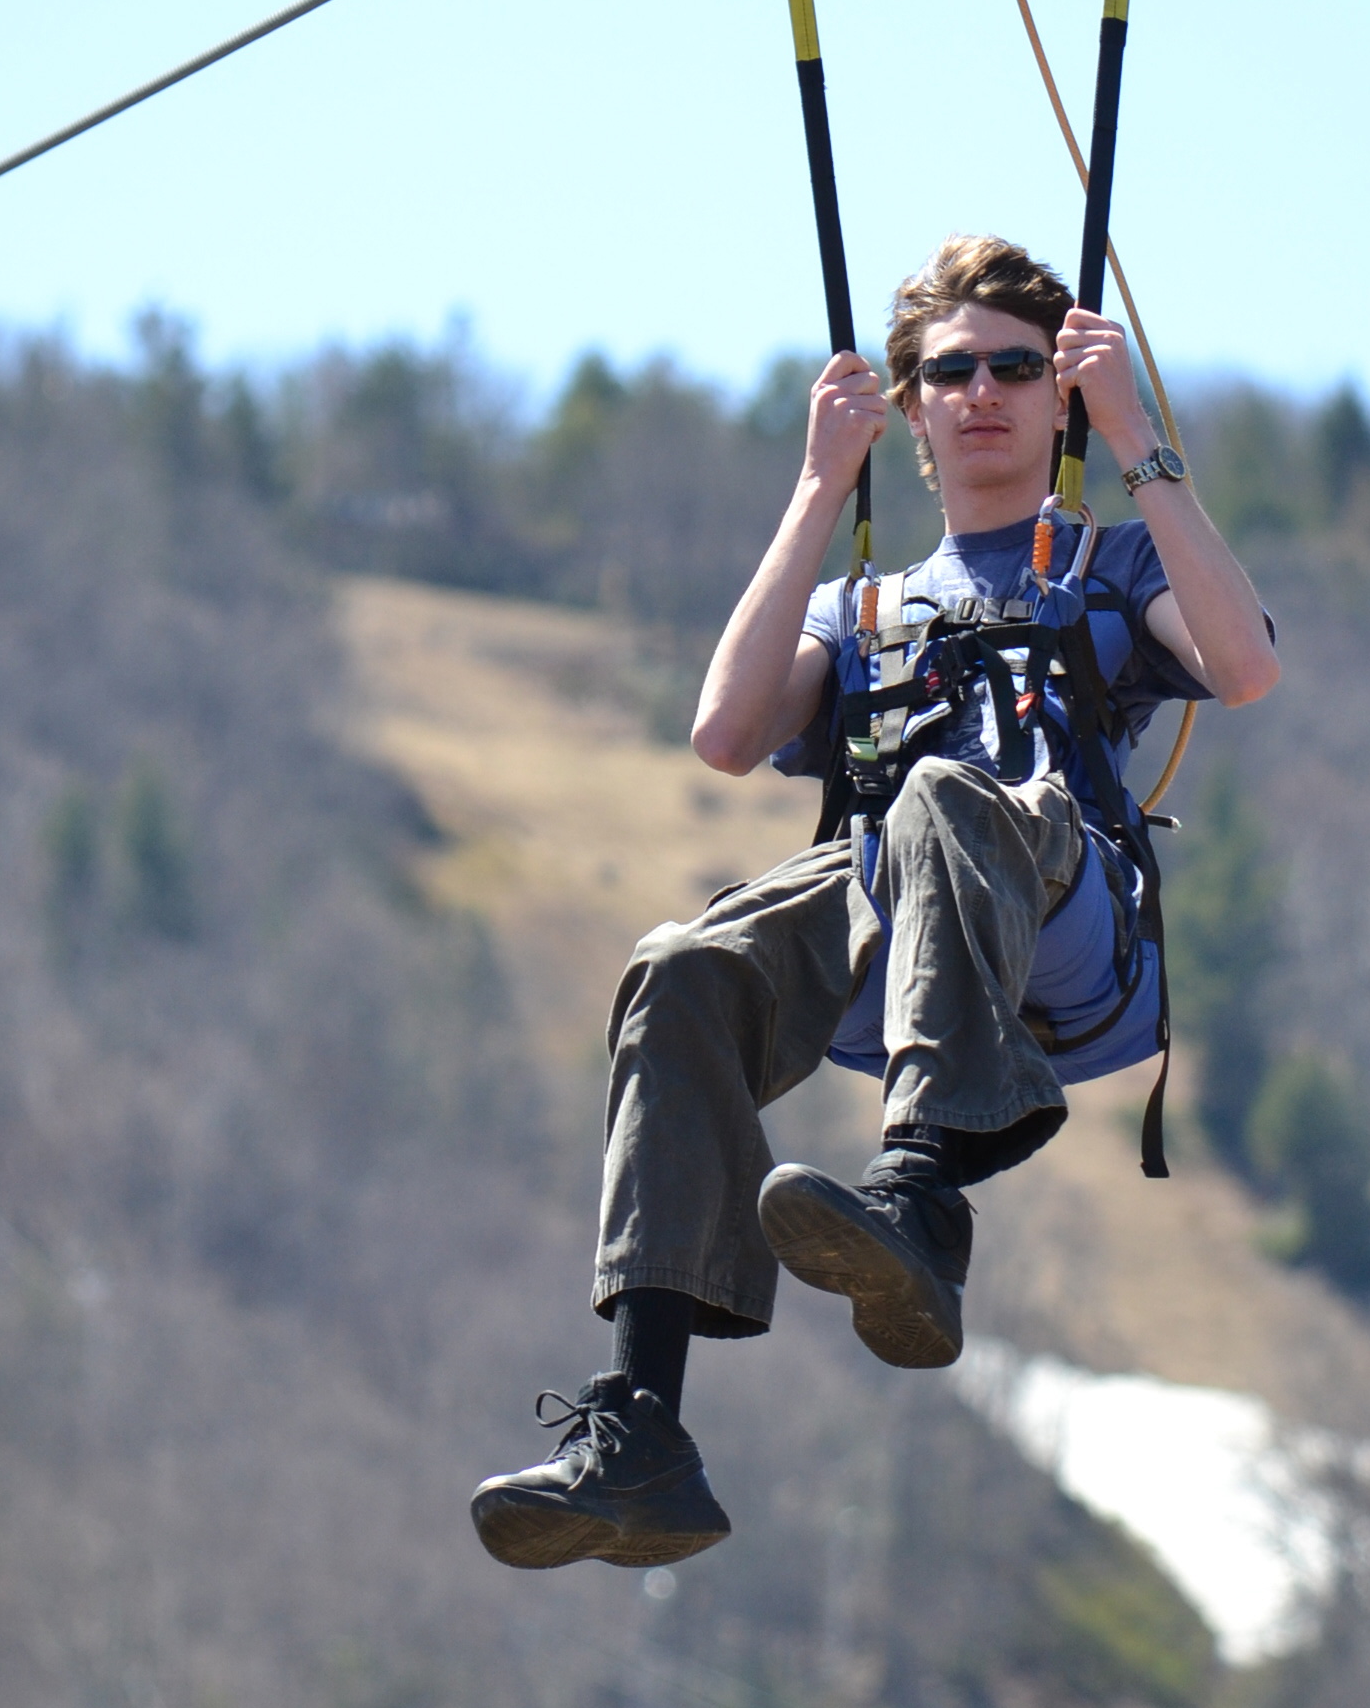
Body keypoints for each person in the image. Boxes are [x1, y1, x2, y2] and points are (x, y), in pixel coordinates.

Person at [470, 233, 1281, 1572]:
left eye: (1017, 369)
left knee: (944, 797)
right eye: (949, 372)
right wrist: (812, 489)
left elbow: (1243, 667)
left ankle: (923, 1190)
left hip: (1063, 918)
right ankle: (644, 1428)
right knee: (679, 962)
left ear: (1058, 395)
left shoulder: (1115, 568)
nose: (982, 394)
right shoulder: (864, 607)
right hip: (887, 932)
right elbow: (726, 735)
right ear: (910, 408)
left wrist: (1142, 442)